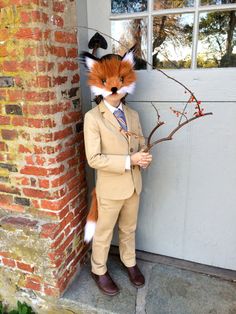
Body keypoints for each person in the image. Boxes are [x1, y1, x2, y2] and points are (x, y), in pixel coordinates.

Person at [83, 48, 152, 296]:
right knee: (103, 232)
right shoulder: (93, 118)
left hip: (134, 185)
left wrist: (143, 157)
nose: (115, 90)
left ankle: (129, 262)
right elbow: (94, 158)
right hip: (110, 190)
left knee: (129, 228)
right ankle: (98, 268)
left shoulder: (133, 115)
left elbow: (141, 143)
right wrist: (127, 160)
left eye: (120, 82)